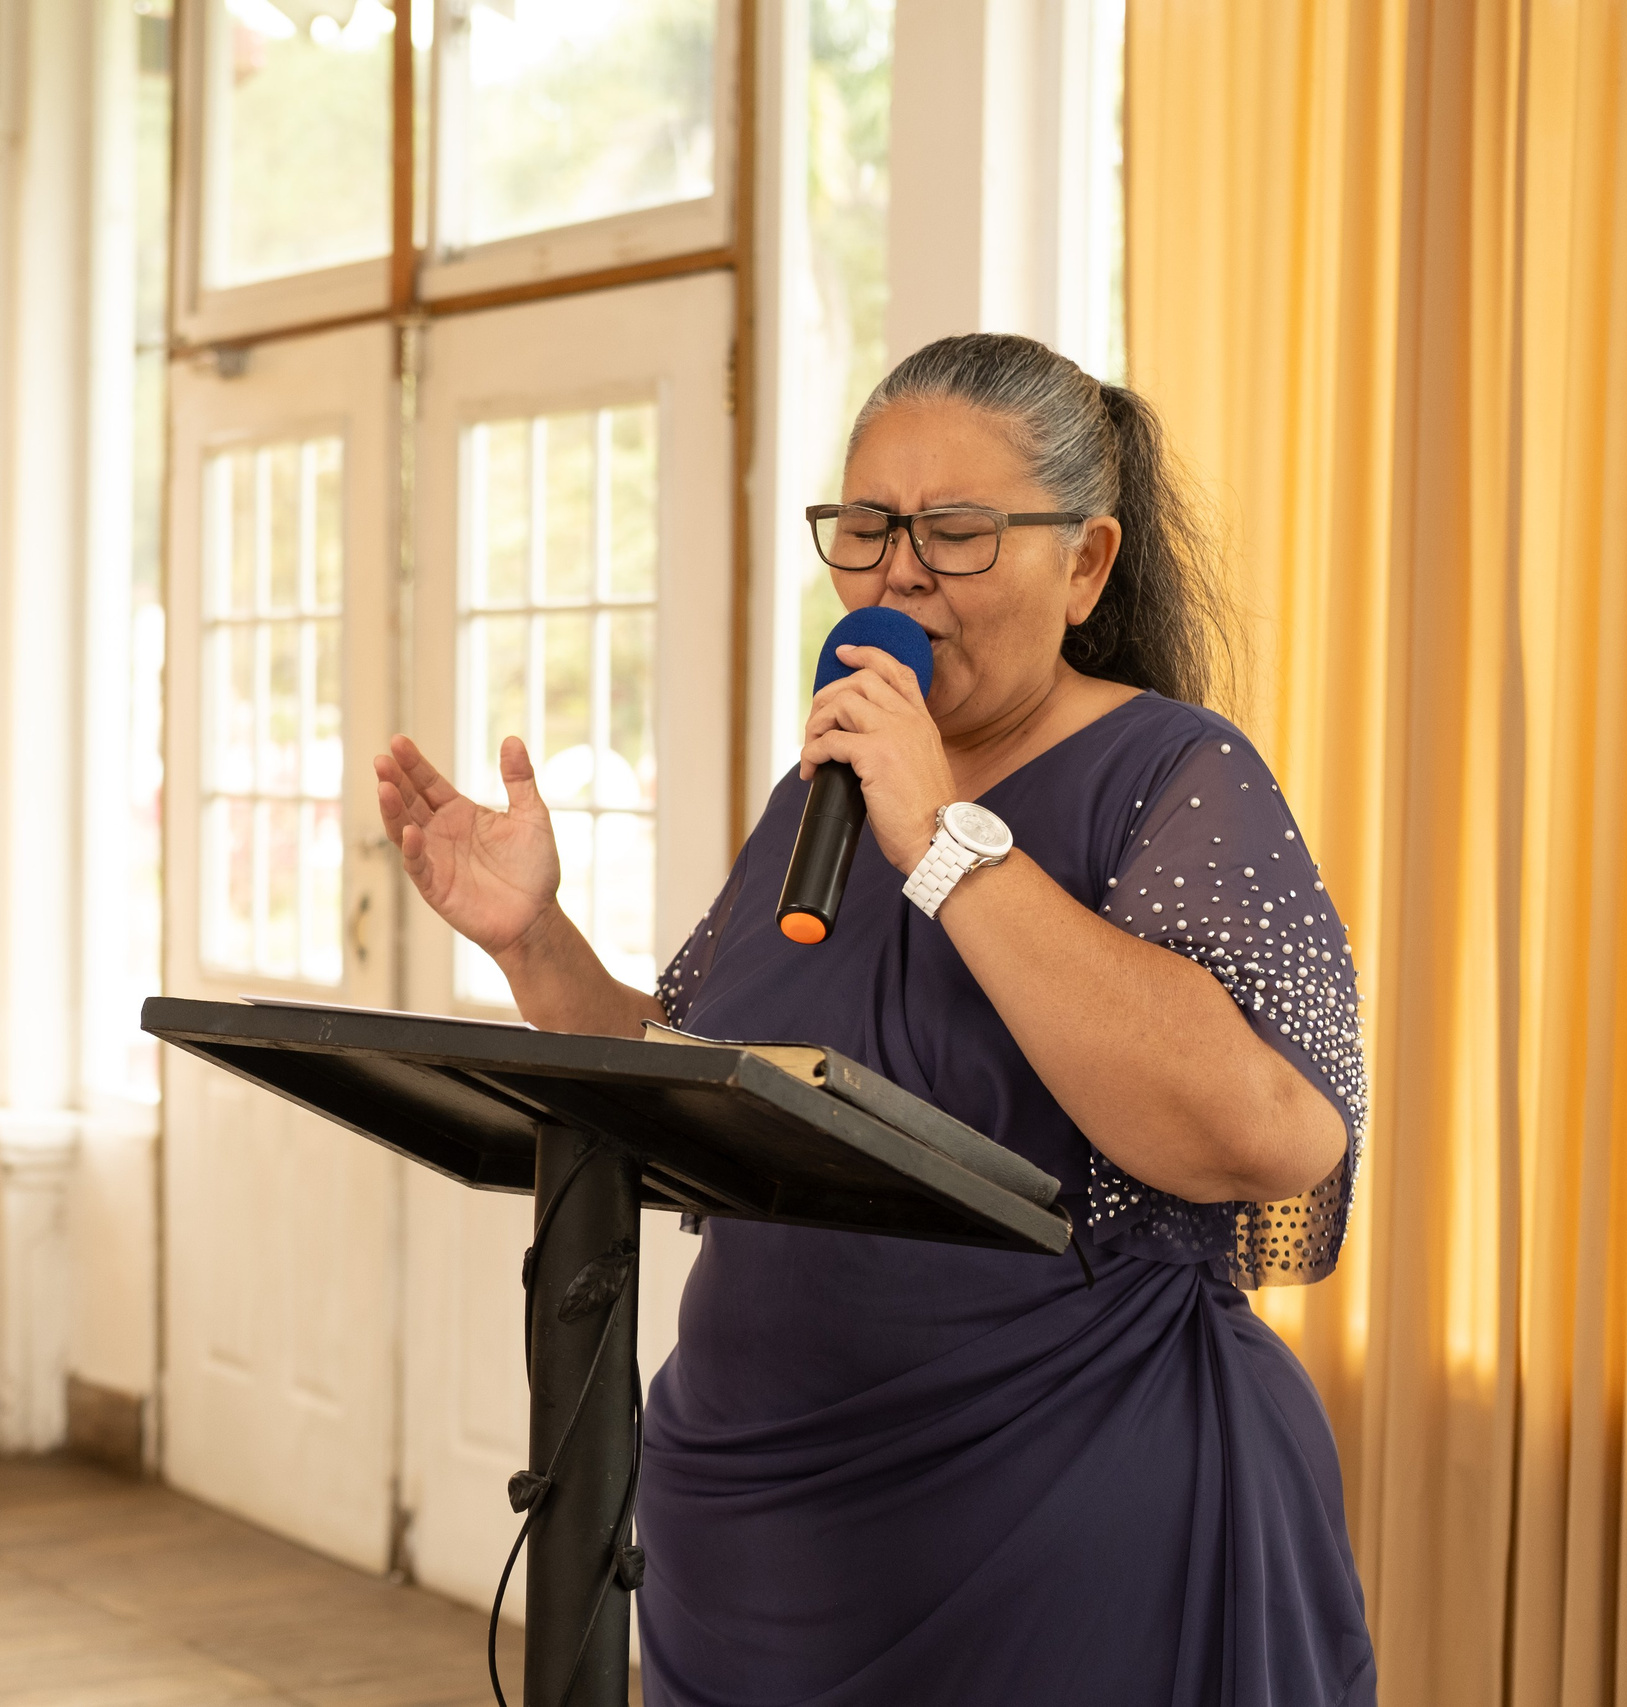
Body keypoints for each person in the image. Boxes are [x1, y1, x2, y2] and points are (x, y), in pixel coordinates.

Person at [372, 332, 1375, 1706]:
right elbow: (717, 1083)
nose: (899, 571)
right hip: (760, 1541)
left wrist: (947, 842)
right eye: (867, 528)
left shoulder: (1176, 774)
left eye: (957, 534)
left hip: (1059, 1529)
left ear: (1085, 564)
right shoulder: (823, 795)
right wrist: (534, 940)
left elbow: (1265, 1131)